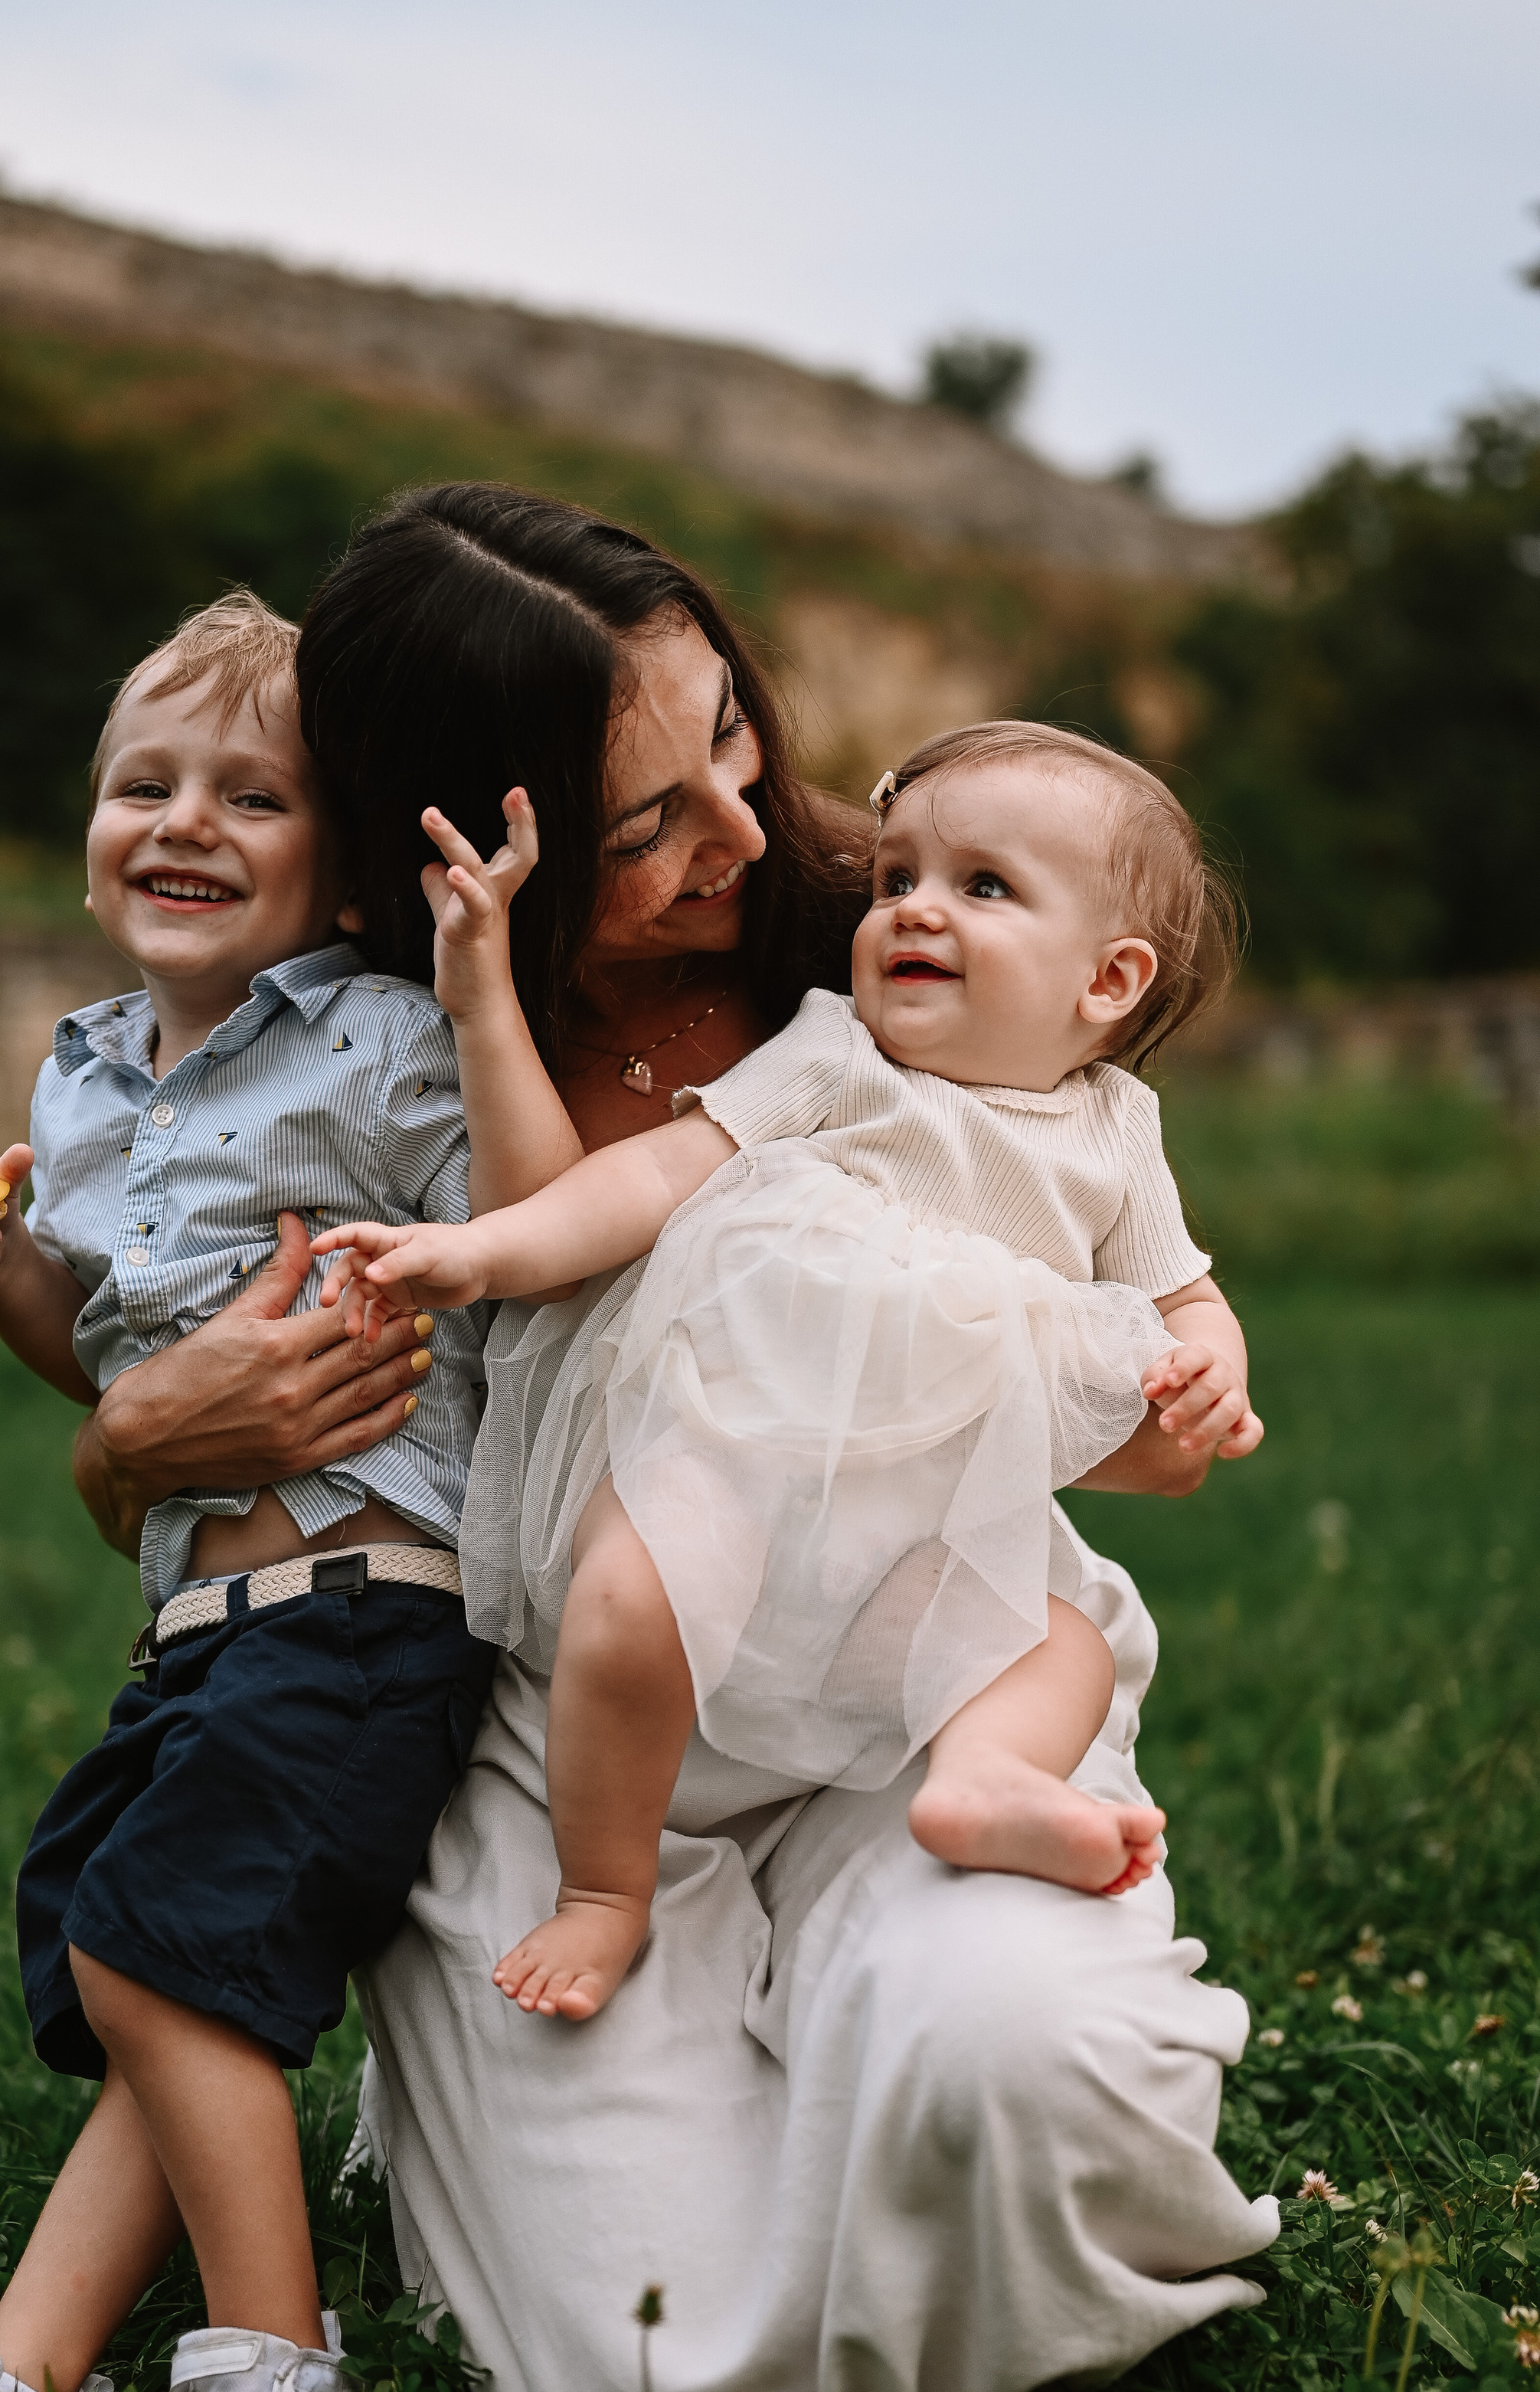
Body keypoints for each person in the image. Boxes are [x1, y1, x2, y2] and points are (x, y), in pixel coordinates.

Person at [73, 488, 1280, 2392]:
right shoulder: (350, 1040)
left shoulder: (872, 935)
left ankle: (903, 2093)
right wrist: (134, 1443)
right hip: (567, 1739)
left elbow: (1115, 1237)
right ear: (469, 836)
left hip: (905, 1667)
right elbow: (170, 1389)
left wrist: (1146, 1390)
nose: (742, 827)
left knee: (1014, 2073)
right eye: (646, 821)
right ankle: (693, 2081)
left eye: (735, 736)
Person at [0, 588, 575, 2392]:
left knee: (155, 1945)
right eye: (142, 783)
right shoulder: (77, 1084)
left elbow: (541, 1227)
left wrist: (481, 998)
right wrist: (5, 1274)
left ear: (341, 868)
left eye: (249, 795)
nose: (183, 822)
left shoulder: (388, 1040)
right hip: (202, 1621)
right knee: (153, 1957)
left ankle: (276, 2373)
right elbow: (110, 1373)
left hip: (367, 1600)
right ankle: (6, 2384)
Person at [314, 725, 1265, 2024]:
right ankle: (605, 1886)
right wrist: (482, 1251)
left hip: (910, 1530)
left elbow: (1182, 1290)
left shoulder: (1115, 1128)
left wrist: (1210, 1367)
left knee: (1061, 1646)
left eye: (982, 887)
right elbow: (653, 1178)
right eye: (896, 880)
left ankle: (985, 1780)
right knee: (626, 1607)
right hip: (722, 1464)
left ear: (1107, 980)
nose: (914, 907)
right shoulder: (836, 1057)